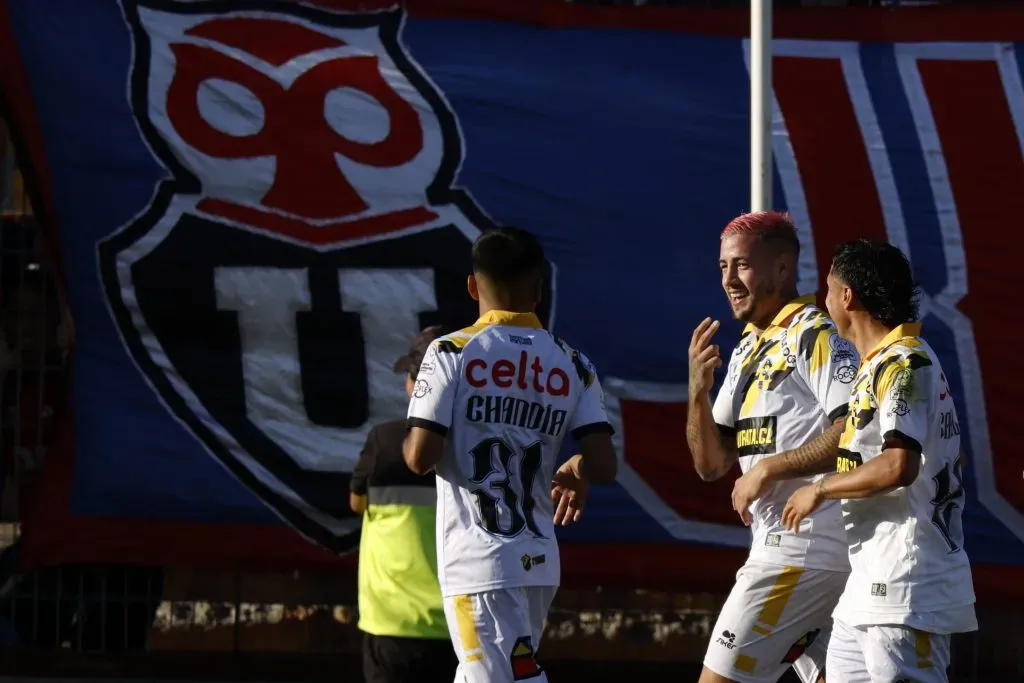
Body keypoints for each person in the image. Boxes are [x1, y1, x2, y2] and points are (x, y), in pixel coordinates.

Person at [403, 226, 618, 683]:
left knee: (501, 678)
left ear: (471, 286)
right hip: (540, 558)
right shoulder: (573, 363)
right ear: (539, 288)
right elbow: (602, 465)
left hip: (479, 560)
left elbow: (419, 457)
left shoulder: (450, 353)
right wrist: (575, 467)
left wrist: (417, 422)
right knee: (488, 673)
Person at [782, 239, 977, 683]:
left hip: (908, 586)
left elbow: (898, 466)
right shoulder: (881, 363)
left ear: (847, 296)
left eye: (827, 289)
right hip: (869, 583)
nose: (823, 299)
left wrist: (821, 487)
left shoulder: (905, 363)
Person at [686, 211, 856, 683]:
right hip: (785, 549)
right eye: (722, 267)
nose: (728, 280)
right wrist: (697, 390)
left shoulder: (814, 332)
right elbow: (711, 465)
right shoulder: (745, 347)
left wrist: (767, 469)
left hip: (803, 552)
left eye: (740, 265)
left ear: (782, 269)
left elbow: (854, 430)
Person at [350, 324, 459, 683]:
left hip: (390, 623)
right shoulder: (478, 448)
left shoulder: (383, 441)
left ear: (416, 384)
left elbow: (356, 503)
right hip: (460, 626)